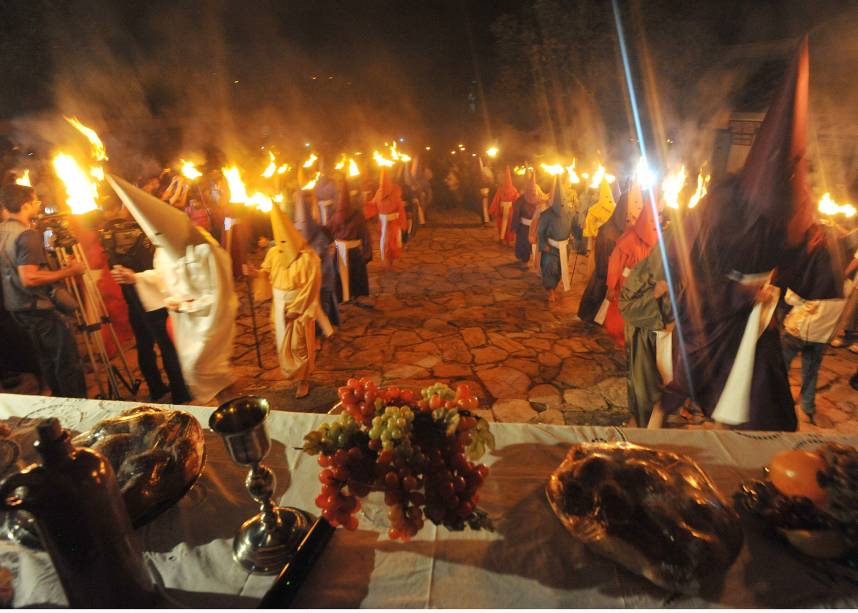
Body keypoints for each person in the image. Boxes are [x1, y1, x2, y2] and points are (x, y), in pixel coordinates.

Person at [659, 38, 826, 431]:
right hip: (716, 315)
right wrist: (739, 292)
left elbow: (808, 270)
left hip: (757, 324)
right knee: (693, 379)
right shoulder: (723, 207)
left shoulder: (793, 214)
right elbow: (690, 266)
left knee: (763, 406)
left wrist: (816, 247)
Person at [107, 175, 237, 404]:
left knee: (208, 367)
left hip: (209, 320)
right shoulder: (163, 250)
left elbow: (220, 291)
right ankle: (225, 401)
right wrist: (134, 277)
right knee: (196, 370)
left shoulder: (205, 249)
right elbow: (161, 276)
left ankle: (232, 402)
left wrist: (188, 304)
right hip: (185, 324)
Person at [0, 184, 87, 397]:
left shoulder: (3, 231)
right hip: (38, 310)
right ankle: (80, 409)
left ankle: (62, 409)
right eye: (36, 201)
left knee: (47, 363)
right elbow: (29, 277)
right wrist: (69, 271)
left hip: (17, 310)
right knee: (66, 365)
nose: (38, 204)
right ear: (26, 205)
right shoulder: (27, 234)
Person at [102, 198, 191, 404]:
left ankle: (156, 387)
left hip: (134, 296)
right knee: (167, 346)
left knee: (144, 344)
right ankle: (180, 392)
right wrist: (136, 277)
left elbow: (115, 267)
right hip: (153, 298)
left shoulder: (110, 234)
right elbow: (161, 270)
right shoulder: (143, 235)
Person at [244, 203, 324, 399]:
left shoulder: (307, 258)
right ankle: (292, 374)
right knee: (282, 343)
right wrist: (255, 273)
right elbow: (267, 271)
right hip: (279, 305)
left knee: (300, 345)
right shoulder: (274, 253)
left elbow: (311, 287)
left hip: (298, 307)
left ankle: (303, 379)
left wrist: (296, 309)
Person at [618, 235, 674, 427]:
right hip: (645, 338)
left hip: (674, 338)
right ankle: (642, 425)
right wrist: (655, 294)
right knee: (645, 389)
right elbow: (625, 307)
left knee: (671, 387)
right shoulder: (643, 270)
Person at [603, 184, 657, 347]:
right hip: (627, 284)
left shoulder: (657, 239)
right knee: (622, 312)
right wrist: (611, 286)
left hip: (645, 286)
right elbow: (615, 262)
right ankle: (621, 338)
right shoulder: (629, 239)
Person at [578, 185, 631, 323]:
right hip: (605, 272)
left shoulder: (622, 228)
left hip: (613, 273)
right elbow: (603, 260)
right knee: (598, 295)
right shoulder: (609, 231)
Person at [294, 190, 339, 331]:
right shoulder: (322, 231)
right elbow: (332, 249)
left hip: (312, 277)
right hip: (319, 276)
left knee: (317, 301)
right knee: (320, 301)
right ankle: (319, 330)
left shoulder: (295, 232)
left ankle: (316, 330)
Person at [328, 179, 371, 304]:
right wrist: (367, 252)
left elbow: (328, 232)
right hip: (353, 252)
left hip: (346, 251)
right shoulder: (357, 216)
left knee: (345, 273)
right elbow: (365, 234)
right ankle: (350, 295)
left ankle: (345, 296)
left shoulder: (336, 216)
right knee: (351, 274)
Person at [536, 179, 574, 303]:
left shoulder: (569, 213)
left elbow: (573, 227)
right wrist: (543, 245)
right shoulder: (546, 215)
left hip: (564, 248)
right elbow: (540, 232)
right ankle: (550, 291)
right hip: (550, 248)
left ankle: (554, 286)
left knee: (559, 269)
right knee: (549, 268)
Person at [373, 167, 407, 267]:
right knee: (392, 241)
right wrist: (403, 222)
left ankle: (388, 260)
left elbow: (373, 205)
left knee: (389, 241)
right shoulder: (384, 192)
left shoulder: (381, 192)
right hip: (389, 222)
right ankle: (389, 260)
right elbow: (400, 208)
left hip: (390, 222)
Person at [491, 166, 521, 249]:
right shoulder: (514, 189)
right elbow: (517, 200)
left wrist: (493, 210)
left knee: (503, 224)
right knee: (509, 224)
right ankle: (508, 240)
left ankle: (502, 238)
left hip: (502, 209)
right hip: (510, 209)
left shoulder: (500, 189)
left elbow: (496, 200)